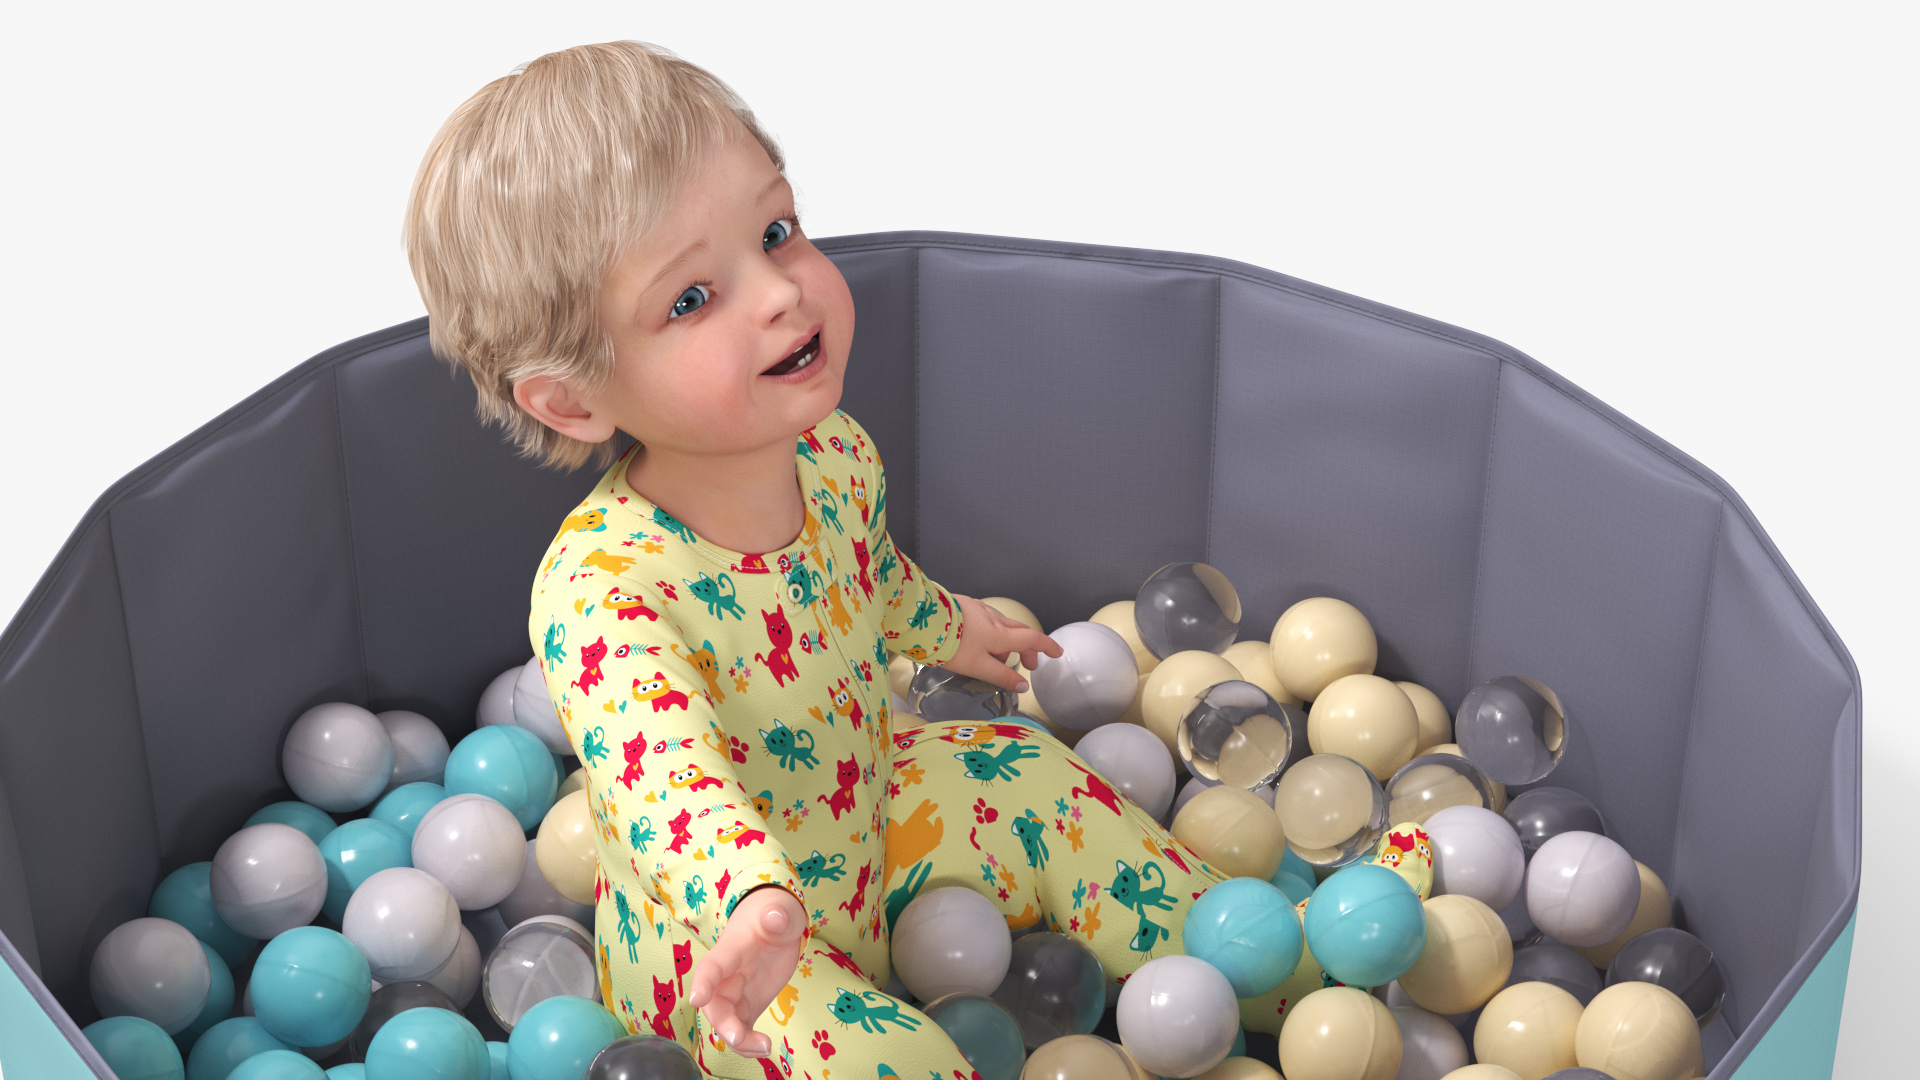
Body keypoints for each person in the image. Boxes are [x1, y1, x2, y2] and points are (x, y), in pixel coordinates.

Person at [403, 40, 1235, 1079]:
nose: (782, 294)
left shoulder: (833, 454)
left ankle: (1269, 969)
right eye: (692, 299)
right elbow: (665, 786)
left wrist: (953, 628)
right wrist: (754, 902)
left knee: (1030, 774)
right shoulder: (602, 590)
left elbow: (868, 579)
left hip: (873, 813)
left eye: (776, 231)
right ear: (574, 400)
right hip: (726, 965)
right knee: (894, 1062)